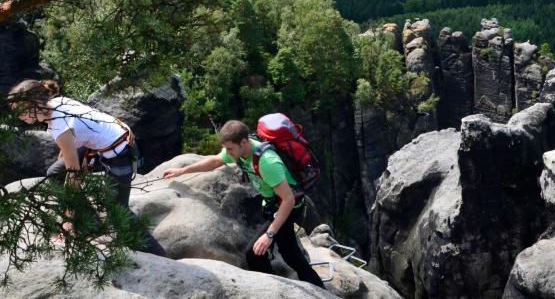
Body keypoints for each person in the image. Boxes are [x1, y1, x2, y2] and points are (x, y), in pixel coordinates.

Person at [7, 79, 166, 255]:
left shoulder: (60, 125)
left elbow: (74, 174)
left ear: (36, 104)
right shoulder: (58, 102)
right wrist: (67, 160)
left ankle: (158, 254)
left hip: (119, 151)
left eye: (21, 110)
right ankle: (91, 225)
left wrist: (68, 220)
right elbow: (69, 146)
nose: (19, 116)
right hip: (107, 138)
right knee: (55, 172)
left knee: (118, 211)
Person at [162, 119, 325, 288]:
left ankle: (274, 289)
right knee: (290, 254)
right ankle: (313, 288)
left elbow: (288, 199)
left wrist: (269, 235)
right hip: (273, 203)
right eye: (226, 148)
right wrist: (182, 170)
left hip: (288, 207)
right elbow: (215, 161)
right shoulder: (239, 151)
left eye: (230, 149)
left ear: (244, 142)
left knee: (255, 254)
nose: (227, 153)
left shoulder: (267, 162)